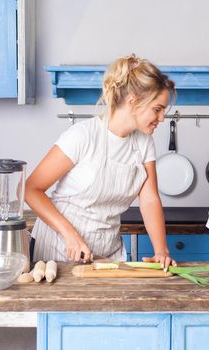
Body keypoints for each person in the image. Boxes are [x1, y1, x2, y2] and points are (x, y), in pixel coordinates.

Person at [25, 54, 177, 270]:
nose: (162, 118)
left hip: (108, 253)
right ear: (133, 100)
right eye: (157, 109)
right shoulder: (83, 136)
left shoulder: (144, 143)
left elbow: (149, 199)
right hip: (57, 251)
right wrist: (69, 234)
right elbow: (31, 189)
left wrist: (162, 251)